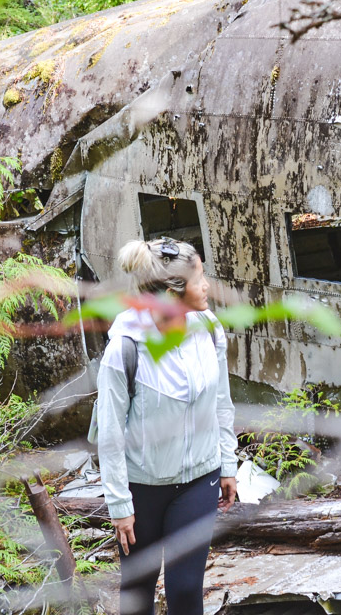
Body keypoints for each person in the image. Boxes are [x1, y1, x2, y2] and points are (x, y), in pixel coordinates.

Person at [96, 237, 238, 615]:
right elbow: (109, 433)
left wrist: (228, 464)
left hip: (199, 480)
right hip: (143, 488)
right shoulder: (125, 348)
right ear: (175, 292)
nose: (207, 286)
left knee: (187, 589)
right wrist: (119, 503)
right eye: (199, 278)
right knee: (138, 591)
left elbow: (222, 402)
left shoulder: (207, 328)